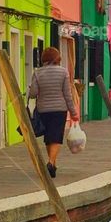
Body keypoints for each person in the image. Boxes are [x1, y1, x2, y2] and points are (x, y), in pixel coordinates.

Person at [28, 47, 79, 179]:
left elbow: (33, 94)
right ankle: (50, 162)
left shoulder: (37, 73)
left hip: (43, 109)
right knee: (56, 137)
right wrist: (73, 113)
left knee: (48, 138)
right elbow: (67, 95)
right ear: (57, 58)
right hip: (59, 110)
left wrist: (31, 87)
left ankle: (53, 165)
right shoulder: (63, 72)